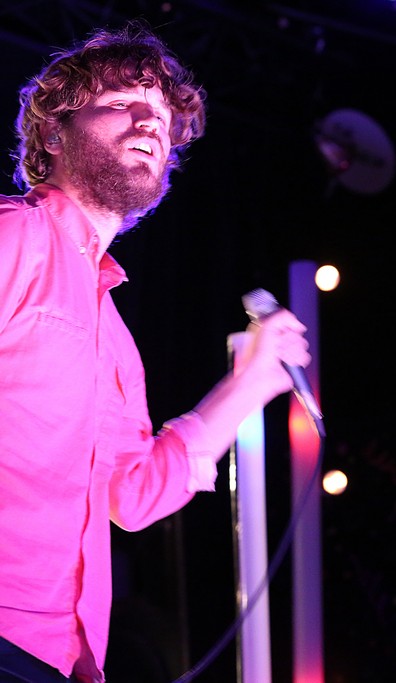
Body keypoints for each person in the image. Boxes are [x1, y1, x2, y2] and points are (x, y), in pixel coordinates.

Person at [0, 20, 312, 683]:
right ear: (54, 133)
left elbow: (134, 494)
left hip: (63, 656)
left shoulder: (113, 333)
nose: (150, 123)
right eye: (123, 103)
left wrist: (251, 384)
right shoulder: (15, 238)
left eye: (163, 118)